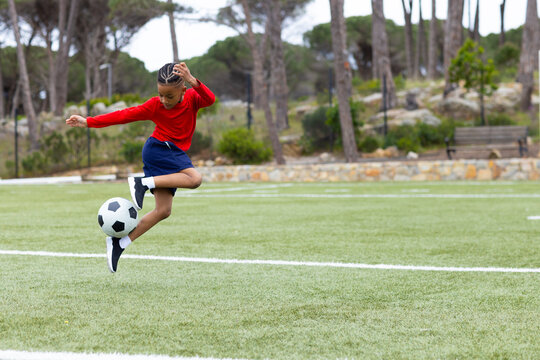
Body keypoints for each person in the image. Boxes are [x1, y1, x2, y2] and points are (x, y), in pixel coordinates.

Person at [66, 62, 215, 273]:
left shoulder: (192, 98)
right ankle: (141, 183)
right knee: (195, 179)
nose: (163, 100)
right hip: (160, 149)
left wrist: (193, 81)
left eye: (169, 96)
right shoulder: (155, 105)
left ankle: (120, 243)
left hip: (168, 153)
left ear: (183, 90)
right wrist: (89, 122)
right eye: (160, 95)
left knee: (163, 211)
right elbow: (124, 115)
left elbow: (210, 99)